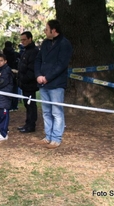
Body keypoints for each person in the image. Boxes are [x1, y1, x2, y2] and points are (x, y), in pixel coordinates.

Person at [35, 19, 72, 149]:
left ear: (53, 30)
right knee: (46, 111)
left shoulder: (64, 44)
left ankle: (56, 138)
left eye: (46, 29)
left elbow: (61, 65)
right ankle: (48, 136)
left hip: (56, 84)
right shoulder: (45, 43)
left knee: (56, 112)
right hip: (43, 84)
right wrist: (38, 75)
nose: (45, 31)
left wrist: (47, 77)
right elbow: (38, 60)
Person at [17, 31, 39, 133]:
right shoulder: (25, 51)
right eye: (21, 40)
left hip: (30, 83)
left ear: (30, 39)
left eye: (24, 39)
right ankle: (28, 123)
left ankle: (31, 125)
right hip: (24, 83)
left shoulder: (34, 51)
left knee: (31, 105)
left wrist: (25, 78)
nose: (23, 42)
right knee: (27, 104)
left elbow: (32, 69)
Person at [3, 41, 20, 111]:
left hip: (7, 73)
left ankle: (9, 105)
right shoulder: (15, 53)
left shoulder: (4, 54)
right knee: (15, 89)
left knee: (8, 89)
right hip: (15, 72)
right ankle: (14, 105)